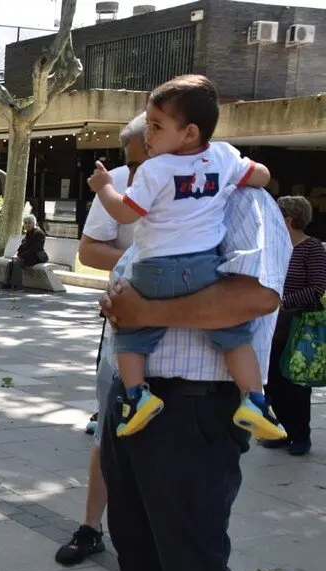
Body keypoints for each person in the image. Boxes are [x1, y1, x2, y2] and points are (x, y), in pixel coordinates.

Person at [86, 160, 292, 571]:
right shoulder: (162, 215)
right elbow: (131, 287)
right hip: (135, 405)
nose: (141, 175)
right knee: (135, 541)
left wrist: (144, 314)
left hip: (195, 409)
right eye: (136, 163)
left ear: (191, 142)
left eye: (147, 155)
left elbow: (255, 295)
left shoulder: (244, 204)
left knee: (193, 562)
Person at [87, 74, 285, 442]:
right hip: (202, 267)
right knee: (233, 336)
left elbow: (126, 214)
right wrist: (238, 176)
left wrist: (105, 189)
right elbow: (261, 174)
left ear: (190, 132)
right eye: (149, 124)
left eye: (157, 126)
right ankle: (256, 399)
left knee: (130, 332)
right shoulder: (224, 157)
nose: (149, 135)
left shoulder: (155, 170)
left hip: (157, 276)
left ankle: (137, 396)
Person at [56, 112, 148, 567]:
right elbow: (88, 249)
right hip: (125, 330)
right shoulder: (117, 184)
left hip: (185, 339)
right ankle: (91, 527)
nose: (132, 172)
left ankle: (157, 534)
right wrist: (140, 264)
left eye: (138, 160)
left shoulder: (206, 181)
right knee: (109, 430)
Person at [263, 195, 326, 456]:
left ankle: (301, 435)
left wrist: (282, 303)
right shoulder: (273, 247)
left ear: (288, 220)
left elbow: (318, 287)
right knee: (272, 382)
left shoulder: (312, 248)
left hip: (298, 325)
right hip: (271, 324)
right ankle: (284, 430)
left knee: (295, 384)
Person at [0, 214, 47, 290]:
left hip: (36, 256)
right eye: (25, 223)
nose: (27, 224)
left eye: (29, 223)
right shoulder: (28, 233)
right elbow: (22, 247)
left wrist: (20, 256)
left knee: (18, 262)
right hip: (28, 256)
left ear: (33, 223)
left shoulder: (38, 233)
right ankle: (7, 283)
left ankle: (17, 285)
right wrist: (16, 255)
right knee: (11, 262)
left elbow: (33, 249)